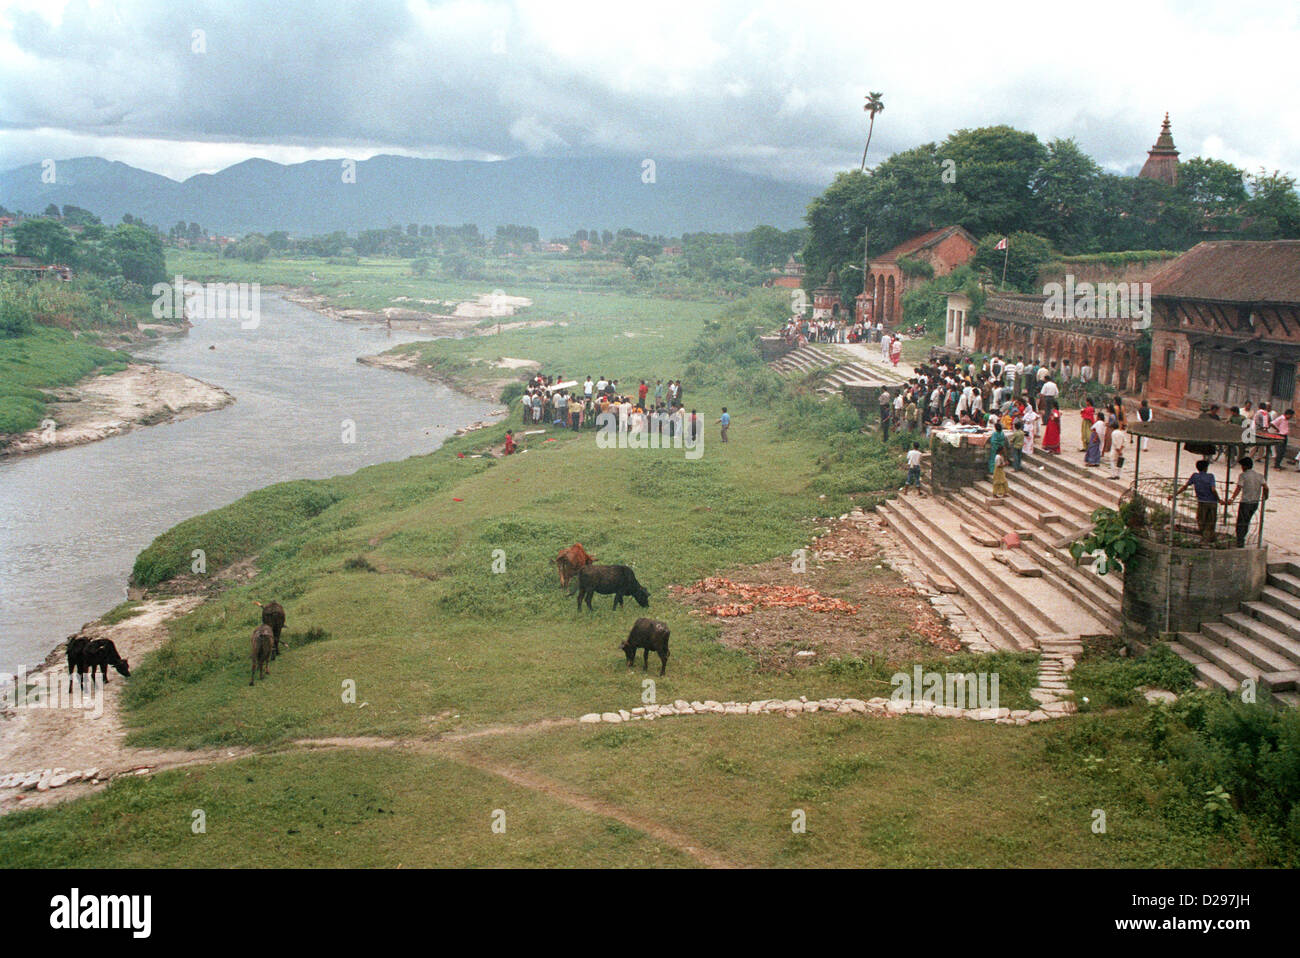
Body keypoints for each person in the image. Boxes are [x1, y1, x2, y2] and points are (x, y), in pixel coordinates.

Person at [1174, 459, 1220, 543]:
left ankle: (1204, 537)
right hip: (1212, 502)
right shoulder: (1210, 476)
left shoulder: (1195, 476)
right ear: (1206, 468)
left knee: (1201, 520)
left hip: (1202, 502)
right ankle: (1209, 539)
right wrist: (1219, 499)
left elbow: (1185, 487)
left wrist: (1174, 494)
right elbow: (1213, 489)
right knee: (1211, 522)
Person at [1227, 457, 1268, 548]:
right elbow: (1266, 487)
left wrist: (1232, 498)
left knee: (1241, 522)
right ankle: (1242, 538)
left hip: (1245, 502)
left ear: (1244, 466)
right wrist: (1265, 496)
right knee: (1247, 521)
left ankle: (1240, 540)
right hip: (1255, 503)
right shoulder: (1259, 475)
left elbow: (1238, 488)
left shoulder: (1243, 475)